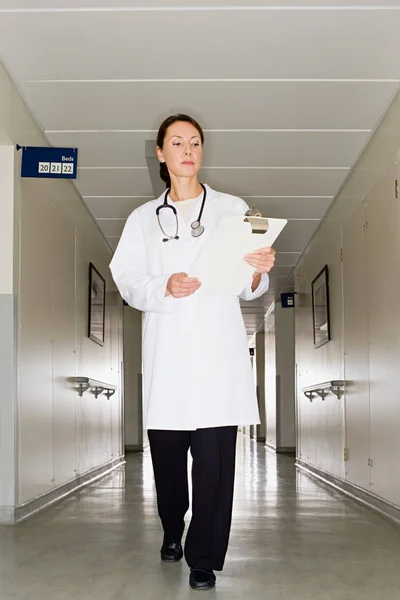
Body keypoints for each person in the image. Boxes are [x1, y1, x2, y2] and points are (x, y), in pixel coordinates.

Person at [109, 114, 275, 591]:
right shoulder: (142, 219)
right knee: (168, 471)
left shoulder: (235, 207)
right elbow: (128, 281)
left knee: (216, 473)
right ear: (160, 153)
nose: (187, 149)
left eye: (195, 142)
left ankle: (204, 557)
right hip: (168, 363)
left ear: (202, 151)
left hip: (219, 362)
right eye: (177, 142)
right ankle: (171, 527)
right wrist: (165, 285)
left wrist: (260, 269)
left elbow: (251, 285)